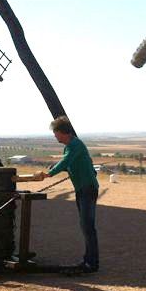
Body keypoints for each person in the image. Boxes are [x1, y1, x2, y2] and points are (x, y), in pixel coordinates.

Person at [36, 115, 99, 273]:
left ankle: (92, 263)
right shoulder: (71, 146)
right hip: (83, 188)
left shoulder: (74, 145)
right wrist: (55, 168)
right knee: (85, 225)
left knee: (87, 225)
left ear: (63, 132)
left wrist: (49, 174)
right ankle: (89, 260)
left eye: (55, 133)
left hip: (87, 189)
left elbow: (66, 161)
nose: (55, 136)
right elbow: (68, 163)